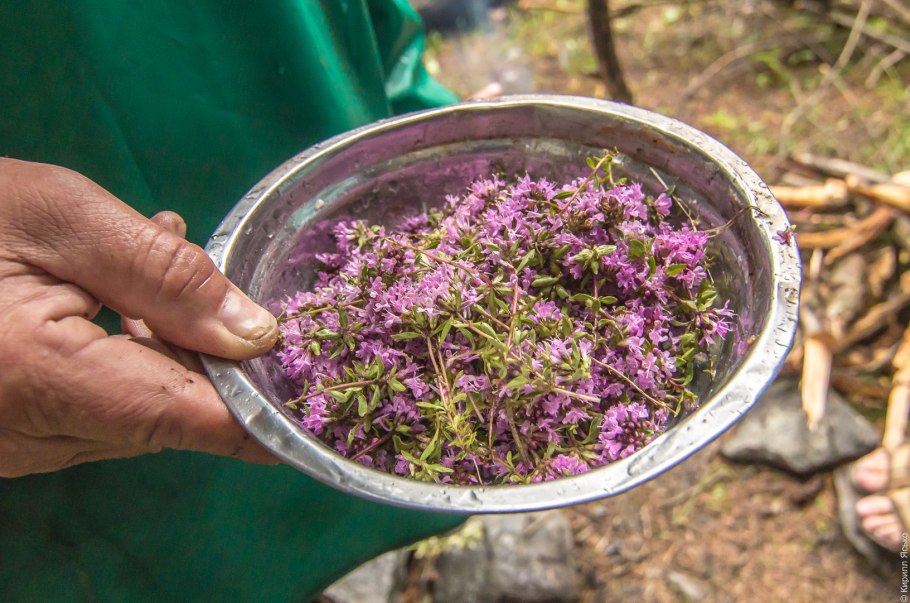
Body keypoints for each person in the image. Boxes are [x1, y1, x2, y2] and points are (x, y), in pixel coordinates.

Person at [0, 2, 464, 600]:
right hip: (49, 288)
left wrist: (423, 121)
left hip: (326, 124)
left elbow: (377, 32)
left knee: (344, 488)